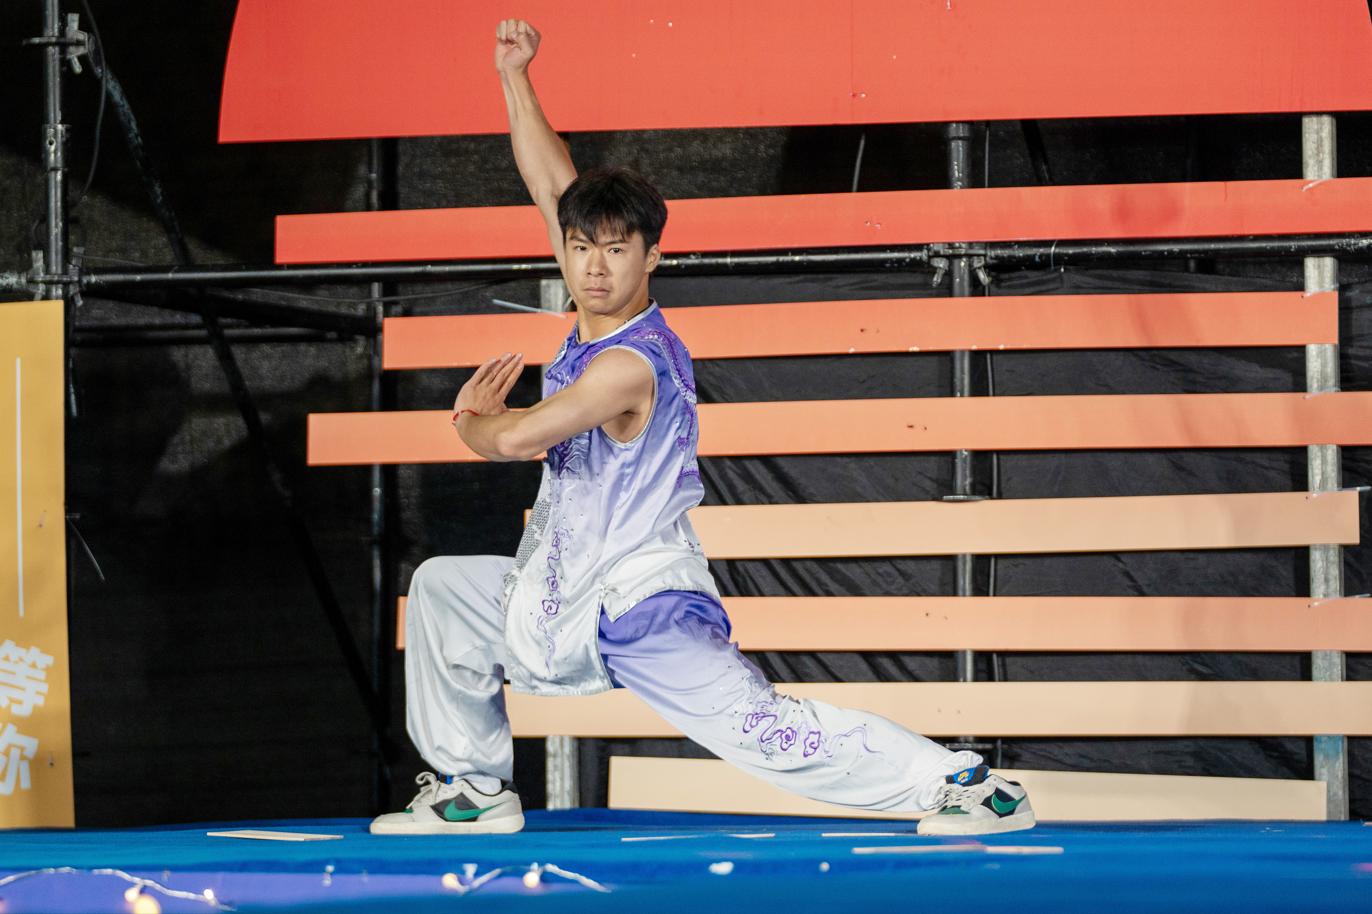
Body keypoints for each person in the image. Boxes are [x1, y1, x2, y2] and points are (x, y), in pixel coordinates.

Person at [369, 18, 1035, 838]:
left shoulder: (632, 362)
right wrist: (514, 77)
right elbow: (549, 182)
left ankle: (969, 788)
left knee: (766, 731)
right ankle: (473, 789)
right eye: (580, 249)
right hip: (567, 590)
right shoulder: (590, 299)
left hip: (641, 600)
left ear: (651, 257)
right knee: (442, 590)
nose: (594, 267)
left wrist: (472, 419)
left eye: (616, 251)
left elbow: (514, 439)